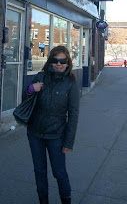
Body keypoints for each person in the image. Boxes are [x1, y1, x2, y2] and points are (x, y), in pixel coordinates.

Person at [26, 45, 80, 204]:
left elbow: (74, 114)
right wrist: (30, 89)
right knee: (39, 171)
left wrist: (68, 142)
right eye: (55, 60)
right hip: (35, 133)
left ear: (67, 62)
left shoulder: (70, 83)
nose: (58, 64)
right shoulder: (40, 77)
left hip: (56, 136)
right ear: (50, 61)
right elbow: (25, 99)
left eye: (62, 61)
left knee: (59, 172)